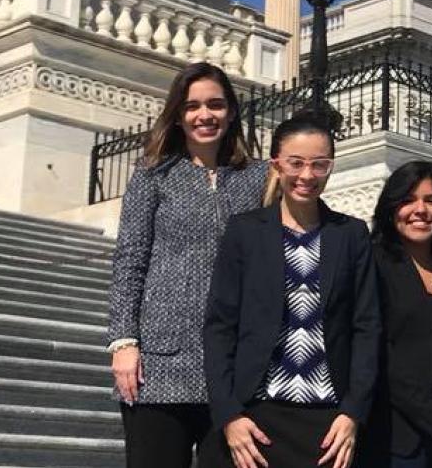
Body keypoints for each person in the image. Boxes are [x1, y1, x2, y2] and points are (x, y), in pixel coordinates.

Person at [107, 62, 268, 468]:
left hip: (232, 367)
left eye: (215, 104)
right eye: (192, 106)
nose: (204, 115)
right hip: (160, 362)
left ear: (231, 111)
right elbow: (130, 259)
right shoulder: (153, 174)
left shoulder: (259, 178)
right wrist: (124, 342)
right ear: (178, 115)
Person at [202, 112, 380, 468]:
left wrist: (353, 412)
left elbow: (367, 327)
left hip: (328, 426)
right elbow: (220, 326)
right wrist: (229, 414)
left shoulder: (351, 234)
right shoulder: (244, 232)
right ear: (276, 166)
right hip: (253, 418)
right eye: (296, 163)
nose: (307, 175)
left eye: (319, 164)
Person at [359, 161, 432, 467]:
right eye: (408, 200)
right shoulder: (374, 263)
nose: (420, 210)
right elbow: (376, 352)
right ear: (391, 209)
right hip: (399, 428)